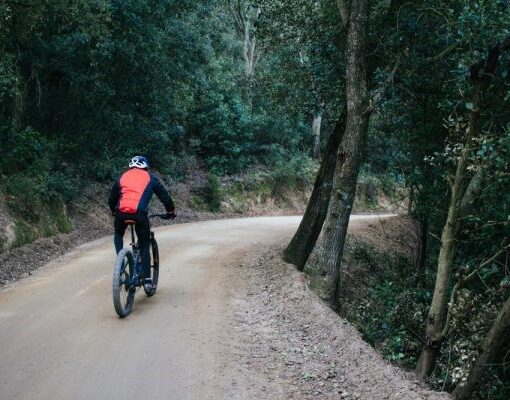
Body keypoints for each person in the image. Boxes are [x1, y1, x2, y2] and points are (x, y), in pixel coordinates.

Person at [108, 156, 176, 288]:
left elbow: (112, 197)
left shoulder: (122, 177)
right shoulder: (150, 178)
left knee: (118, 234)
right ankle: (147, 281)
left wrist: (113, 210)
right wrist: (170, 212)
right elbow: (164, 197)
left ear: (130, 167)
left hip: (121, 214)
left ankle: (120, 264)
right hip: (139, 215)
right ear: (145, 167)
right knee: (144, 245)